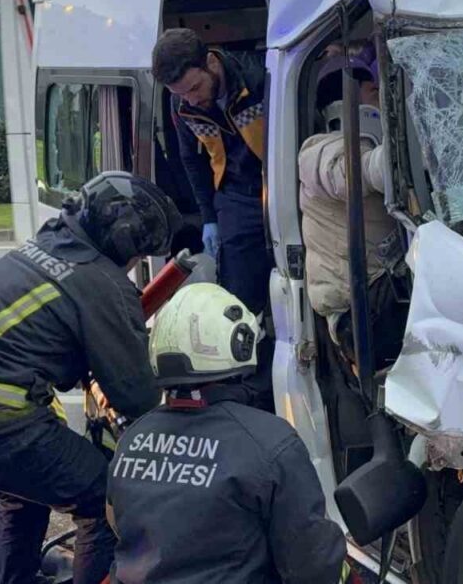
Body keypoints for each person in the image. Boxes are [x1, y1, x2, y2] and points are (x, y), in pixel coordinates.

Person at [0, 171, 177, 584]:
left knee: (22, 494)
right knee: (106, 500)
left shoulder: (45, 244)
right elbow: (136, 396)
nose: (137, 264)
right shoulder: (100, 282)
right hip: (0, 426)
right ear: (123, 240)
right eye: (140, 255)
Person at [106, 282, 347, 584]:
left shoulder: (132, 439)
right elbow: (312, 563)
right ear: (239, 344)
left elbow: (118, 524)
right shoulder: (270, 443)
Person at [300, 45, 408, 366]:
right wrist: (405, 155)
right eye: (373, 92)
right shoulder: (317, 152)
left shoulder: (370, 145)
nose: (382, 101)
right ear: (344, 104)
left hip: (383, 287)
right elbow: (348, 173)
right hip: (358, 313)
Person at [152, 28, 271, 318]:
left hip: (282, 184)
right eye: (180, 94)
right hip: (236, 195)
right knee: (238, 296)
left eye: (194, 88)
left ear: (211, 63)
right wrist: (209, 217)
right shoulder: (182, 104)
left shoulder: (259, 79)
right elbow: (190, 160)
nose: (190, 101)